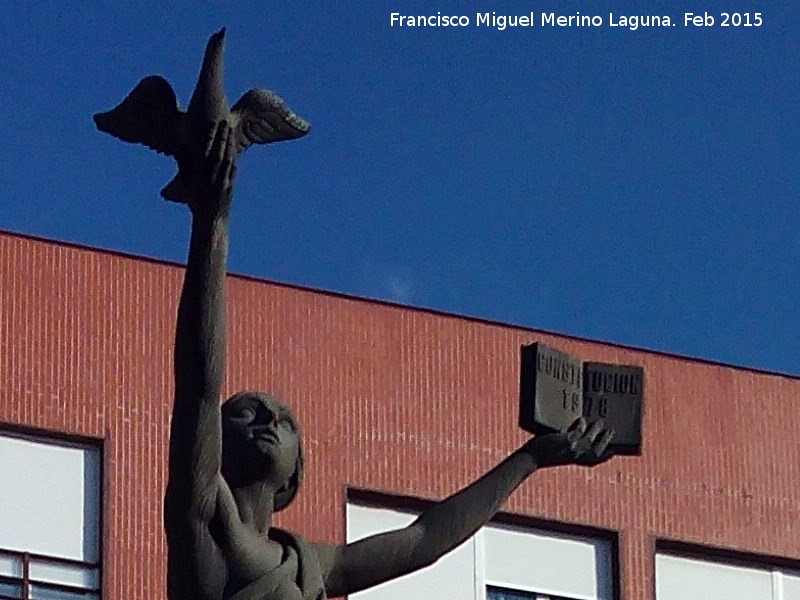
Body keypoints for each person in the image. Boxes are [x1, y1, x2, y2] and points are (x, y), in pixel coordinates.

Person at [164, 122, 616, 600]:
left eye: (287, 421)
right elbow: (199, 379)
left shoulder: (311, 564)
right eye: (246, 411)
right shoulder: (203, 517)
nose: (269, 421)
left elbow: (425, 539)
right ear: (212, 439)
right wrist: (212, 225)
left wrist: (531, 457)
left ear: (296, 471)